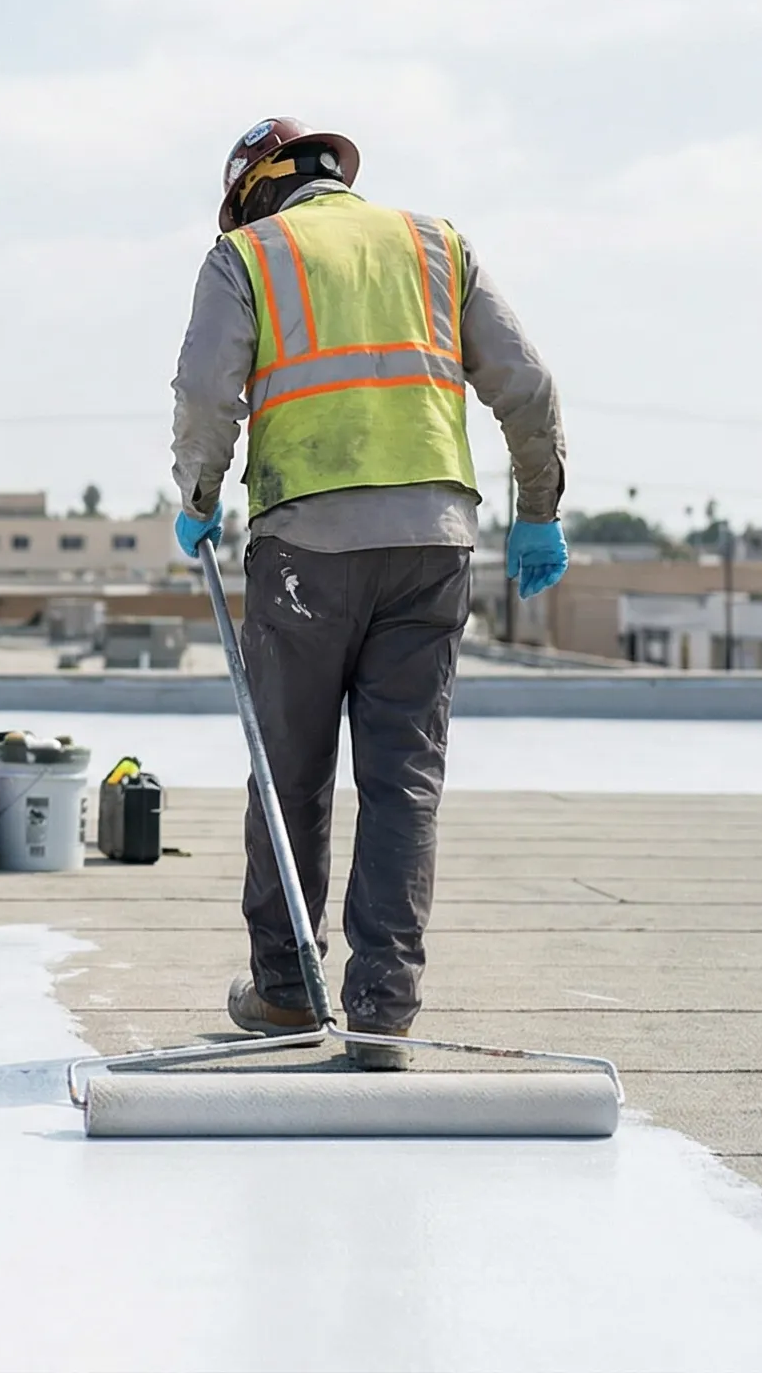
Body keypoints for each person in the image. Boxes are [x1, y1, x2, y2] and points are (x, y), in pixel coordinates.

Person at [167, 116, 570, 1070]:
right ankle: (384, 1013)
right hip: (433, 546)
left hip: (307, 541)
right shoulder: (438, 245)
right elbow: (528, 383)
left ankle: (287, 991)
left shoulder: (247, 255)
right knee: (402, 782)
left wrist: (196, 493)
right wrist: (540, 508)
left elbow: (202, 392)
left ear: (255, 190)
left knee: (290, 772)